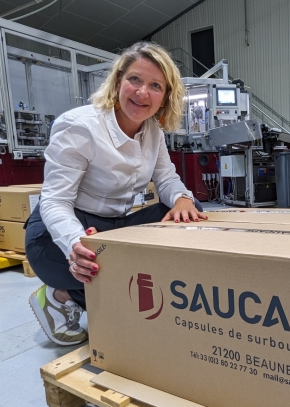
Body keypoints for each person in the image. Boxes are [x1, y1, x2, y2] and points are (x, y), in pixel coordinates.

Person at [25, 42, 208, 346]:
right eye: (135, 79)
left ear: (165, 97)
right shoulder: (80, 127)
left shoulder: (152, 132)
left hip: (116, 225)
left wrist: (182, 198)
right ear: (119, 81)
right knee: (108, 273)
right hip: (62, 232)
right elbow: (56, 201)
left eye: (155, 86)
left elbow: (166, 179)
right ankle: (58, 295)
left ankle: (93, 295)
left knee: (191, 211)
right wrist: (74, 244)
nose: (142, 92)